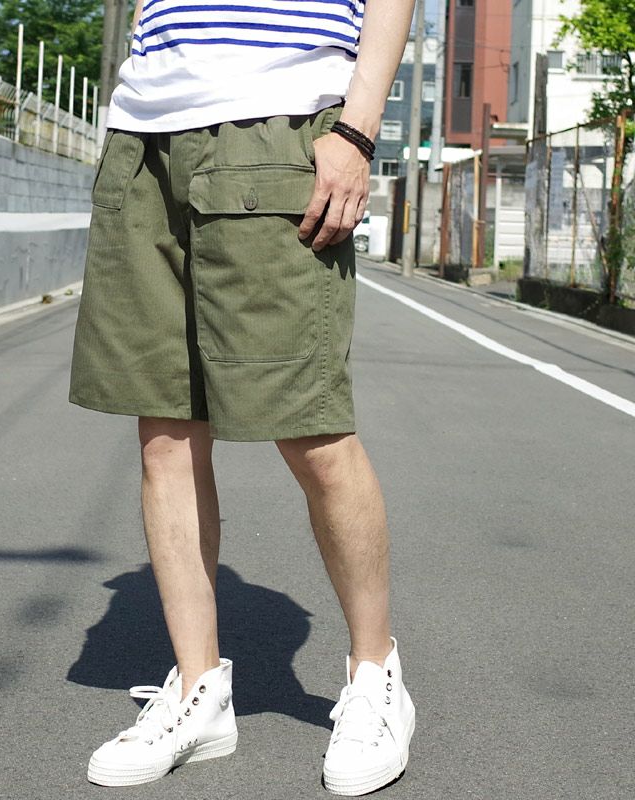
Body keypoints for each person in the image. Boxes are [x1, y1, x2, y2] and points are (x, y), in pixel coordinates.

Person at [69, 0, 417, 794]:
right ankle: (200, 691)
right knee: (166, 433)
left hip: (276, 125)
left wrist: (357, 132)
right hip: (144, 135)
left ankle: (376, 679)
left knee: (310, 427)